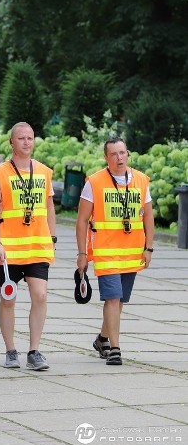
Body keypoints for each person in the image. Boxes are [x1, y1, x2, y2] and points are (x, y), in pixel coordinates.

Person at [76, 136, 154, 366]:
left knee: (119, 302)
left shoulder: (140, 180)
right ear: (106, 157)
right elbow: (81, 221)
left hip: (131, 252)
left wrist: (149, 247)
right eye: (114, 154)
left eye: (122, 153)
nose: (119, 158)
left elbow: (148, 215)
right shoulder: (95, 182)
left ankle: (102, 339)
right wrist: (82, 253)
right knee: (113, 299)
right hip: (106, 251)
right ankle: (115, 349)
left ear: (127, 153)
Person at [0, 122, 56, 371]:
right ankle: (10, 350)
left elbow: (49, 208)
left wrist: (53, 239)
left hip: (37, 246)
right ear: (12, 143)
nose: (27, 142)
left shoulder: (44, 172)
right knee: (9, 299)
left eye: (30, 138)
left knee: (40, 295)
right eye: (22, 138)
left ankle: (34, 351)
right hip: (9, 249)